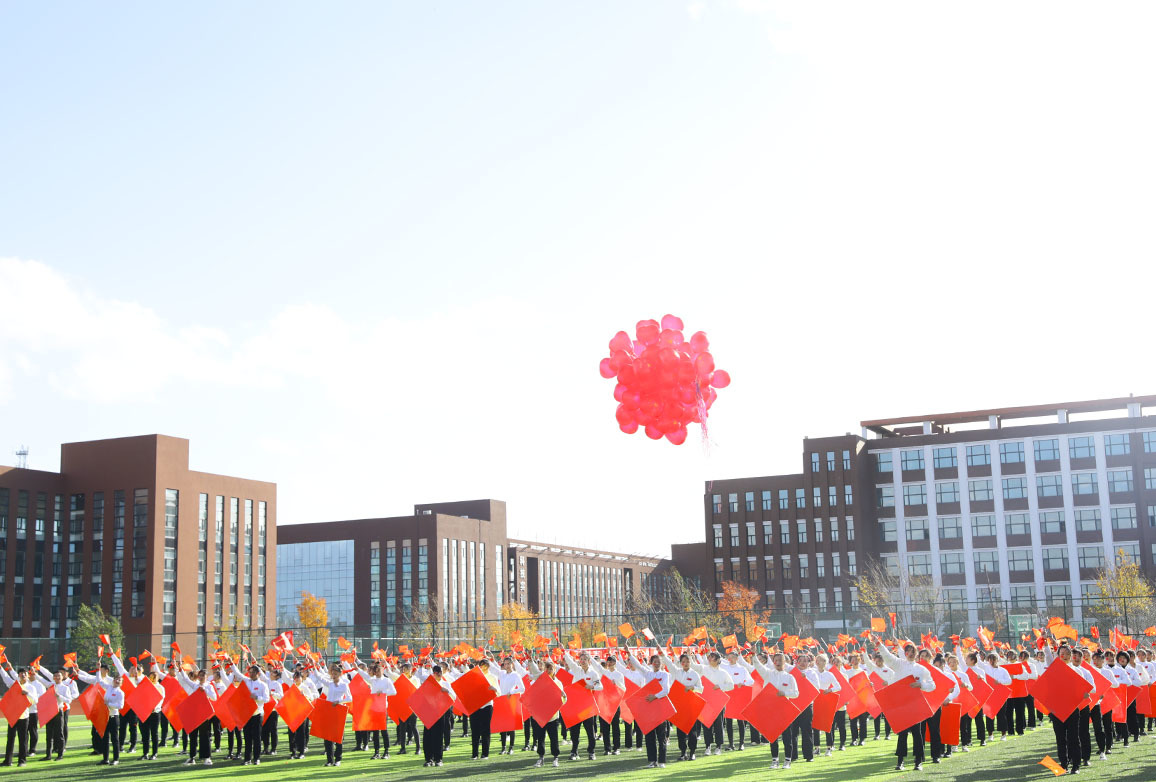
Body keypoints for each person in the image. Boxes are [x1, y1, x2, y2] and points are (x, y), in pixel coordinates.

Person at [876, 640, 935, 771]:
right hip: (901, 704)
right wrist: (879, 644)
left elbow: (932, 685)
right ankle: (900, 761)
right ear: (904, 652)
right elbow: (887, 656)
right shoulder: (899, 664)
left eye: (913, 651)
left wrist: (921, 685)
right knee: (902, 733)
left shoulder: (921, 669)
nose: (910, 654)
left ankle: (918, 761)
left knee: (917, 733)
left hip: (915, 705)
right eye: (907, 651)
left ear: (916, 654)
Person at [623, 641, 672, 769]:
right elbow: (637, 665)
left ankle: (662, 761)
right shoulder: (648, 674)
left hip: (660, 707)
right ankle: (652, 761)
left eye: (658, 661)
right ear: (651, 663)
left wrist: (655, 696)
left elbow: (666, 690)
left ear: (661, 663)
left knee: (661, 735)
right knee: (649, 735)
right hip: (649, 708)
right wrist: (629, 653)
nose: (656, 663)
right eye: (654, 661)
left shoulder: (665, 674)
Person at [657, 648, 702, 761]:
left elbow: (701, 689)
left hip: (691, 706)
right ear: (681, 663)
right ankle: (683, 752)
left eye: (688, 661)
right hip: (679, 706)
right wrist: (662, 653)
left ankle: (692, 752)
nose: (686, 663)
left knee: (692, 731)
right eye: (683, 662)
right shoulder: (676, 672)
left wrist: (692, 688)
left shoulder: (695, 674)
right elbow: (668, 662)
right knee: (680, 731)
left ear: (690, 662)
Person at [227, 658, 271, 766]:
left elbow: (267, 699)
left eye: (253, 672)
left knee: (256, 737)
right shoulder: (247, 681)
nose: (250, 674)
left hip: (257, 714)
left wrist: (257, 697)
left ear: (258, 673)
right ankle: (247, 759)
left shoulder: (263, 685)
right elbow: (238, 674)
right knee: (247, 737)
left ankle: (256, 758)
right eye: (250, 672)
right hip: (247, 714)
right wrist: (231, 663)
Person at [689, 650, 733, 755]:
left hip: (718, 702)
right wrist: (690, 656)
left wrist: (720, 686)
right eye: (709, 657)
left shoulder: (723, 672)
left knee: (719, 724)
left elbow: (731, 685)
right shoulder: (704, 668)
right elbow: (694, 666)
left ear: (718, 660)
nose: (709, 659)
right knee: (706, 724)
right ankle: (707, 746)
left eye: (712, 657)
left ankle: (718, 746)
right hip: (706, 701)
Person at [310, 661, 353, 767]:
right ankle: (329, 759)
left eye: (336, 674)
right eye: (332, 674)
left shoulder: (344, 685)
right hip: (329, 710)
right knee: (327, 736)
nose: (333, 676)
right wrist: (314, 665)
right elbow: (320, 677)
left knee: (337, 736)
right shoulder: (330, 684)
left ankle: (338, 759)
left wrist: (339, 701)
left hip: (338, 710)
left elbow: (349, 698)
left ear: (340, 674)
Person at [351, 658, 397, 759]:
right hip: (374, 708)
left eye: (378, 670)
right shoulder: (373, 680)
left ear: (382, 670)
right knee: (375, 731)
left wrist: (383, 694)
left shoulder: (387, 680)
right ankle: (377, 752)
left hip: (382, 709)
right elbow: (365, 676)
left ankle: (386, 751)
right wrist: (357, 668)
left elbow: (394, 692)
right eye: (375, 671)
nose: (377, 673)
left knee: (383, 731)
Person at [562, 652, 603, 761]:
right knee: (575, 730)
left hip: (588, 706)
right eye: (581, 659)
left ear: (589, 661)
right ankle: (574, 752)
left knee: (590, 730)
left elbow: (600, 686)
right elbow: (569, 661)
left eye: (585, 659)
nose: (583, 661)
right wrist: (563, 651)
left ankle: (591, 752)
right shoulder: (576, 670)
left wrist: (591, 686)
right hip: (576, 705)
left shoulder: (593, 673)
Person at [526, 657, 565, 768]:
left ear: (554, 670)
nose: (548, 671)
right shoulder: (540, 680)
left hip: (553, 716)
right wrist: (530, 660)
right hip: (540, 715)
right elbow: (534, 671)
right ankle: (541, 758)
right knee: (540, 737)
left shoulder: (558, 683)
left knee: (554, 738)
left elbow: (564, 700)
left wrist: (563, 696)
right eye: (546, 669)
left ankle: (555, 758)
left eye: (550, 669)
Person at [421, 664, 454, 768]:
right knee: (427, 737)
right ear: (433, 673)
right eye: (436, 672)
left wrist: (447, 691)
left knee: (438, 736)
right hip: (429, 713)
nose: (439, 674)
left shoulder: (445, 683)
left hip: (440, 713)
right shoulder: (428, 683)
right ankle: (428, 759)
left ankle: (438, 759)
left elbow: (454, 697)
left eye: (440, 672)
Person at [0, 665, 34, 767]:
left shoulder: (31, 687)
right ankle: (8, 761)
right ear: (18, 675)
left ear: (28, 675)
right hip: (13, 715)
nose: (23, 675)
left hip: (24, 716)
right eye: (20, 673)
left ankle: (22, 761)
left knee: (22, 739)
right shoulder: (15, 685)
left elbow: (36, 700)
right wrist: (1, 668)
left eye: (25, 673)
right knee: (10, 739)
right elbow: (6, 678)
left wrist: (27, 693)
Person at [494, 655, 526, 755]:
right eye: (505, 664)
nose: (507, 666)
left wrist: (512, 691)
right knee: (503, 725)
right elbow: (493, 668)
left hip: (511, 700)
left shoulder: (516, 675)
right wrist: (489, 658)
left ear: (512, 664)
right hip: (502, 701)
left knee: (511, 725)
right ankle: (503, 747)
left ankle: (511, 747)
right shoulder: (502, 673)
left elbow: (522, 688)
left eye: (508, 664)